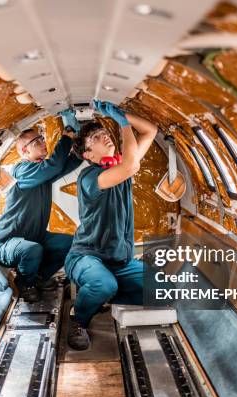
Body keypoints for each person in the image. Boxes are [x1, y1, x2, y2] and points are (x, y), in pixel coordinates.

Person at [65, 100, 157, 350]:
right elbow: (130, 166)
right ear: (88, 155)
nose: (104, 135)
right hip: (86, 257)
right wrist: (122, 123)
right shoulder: (90, 177)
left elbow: (151, 131)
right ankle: (78, 318)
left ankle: (103, 298)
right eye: (95, 137)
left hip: (120, 261)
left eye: (103, 132)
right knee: (102, 284)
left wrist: (122, 114)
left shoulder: (121, 167)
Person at [0, 110, 82, 302]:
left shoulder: (41, 171)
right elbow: (54, 167)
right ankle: (26, 284)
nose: (43, 143)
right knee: (31, 250)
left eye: (42, 138)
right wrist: (67, 134)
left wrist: (82, 148)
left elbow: (65, 165)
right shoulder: (21, 170)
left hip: (36, 238)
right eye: (37, 141)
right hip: (6, 244)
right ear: (25, 151)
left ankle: (40, 277)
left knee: (71, 243)